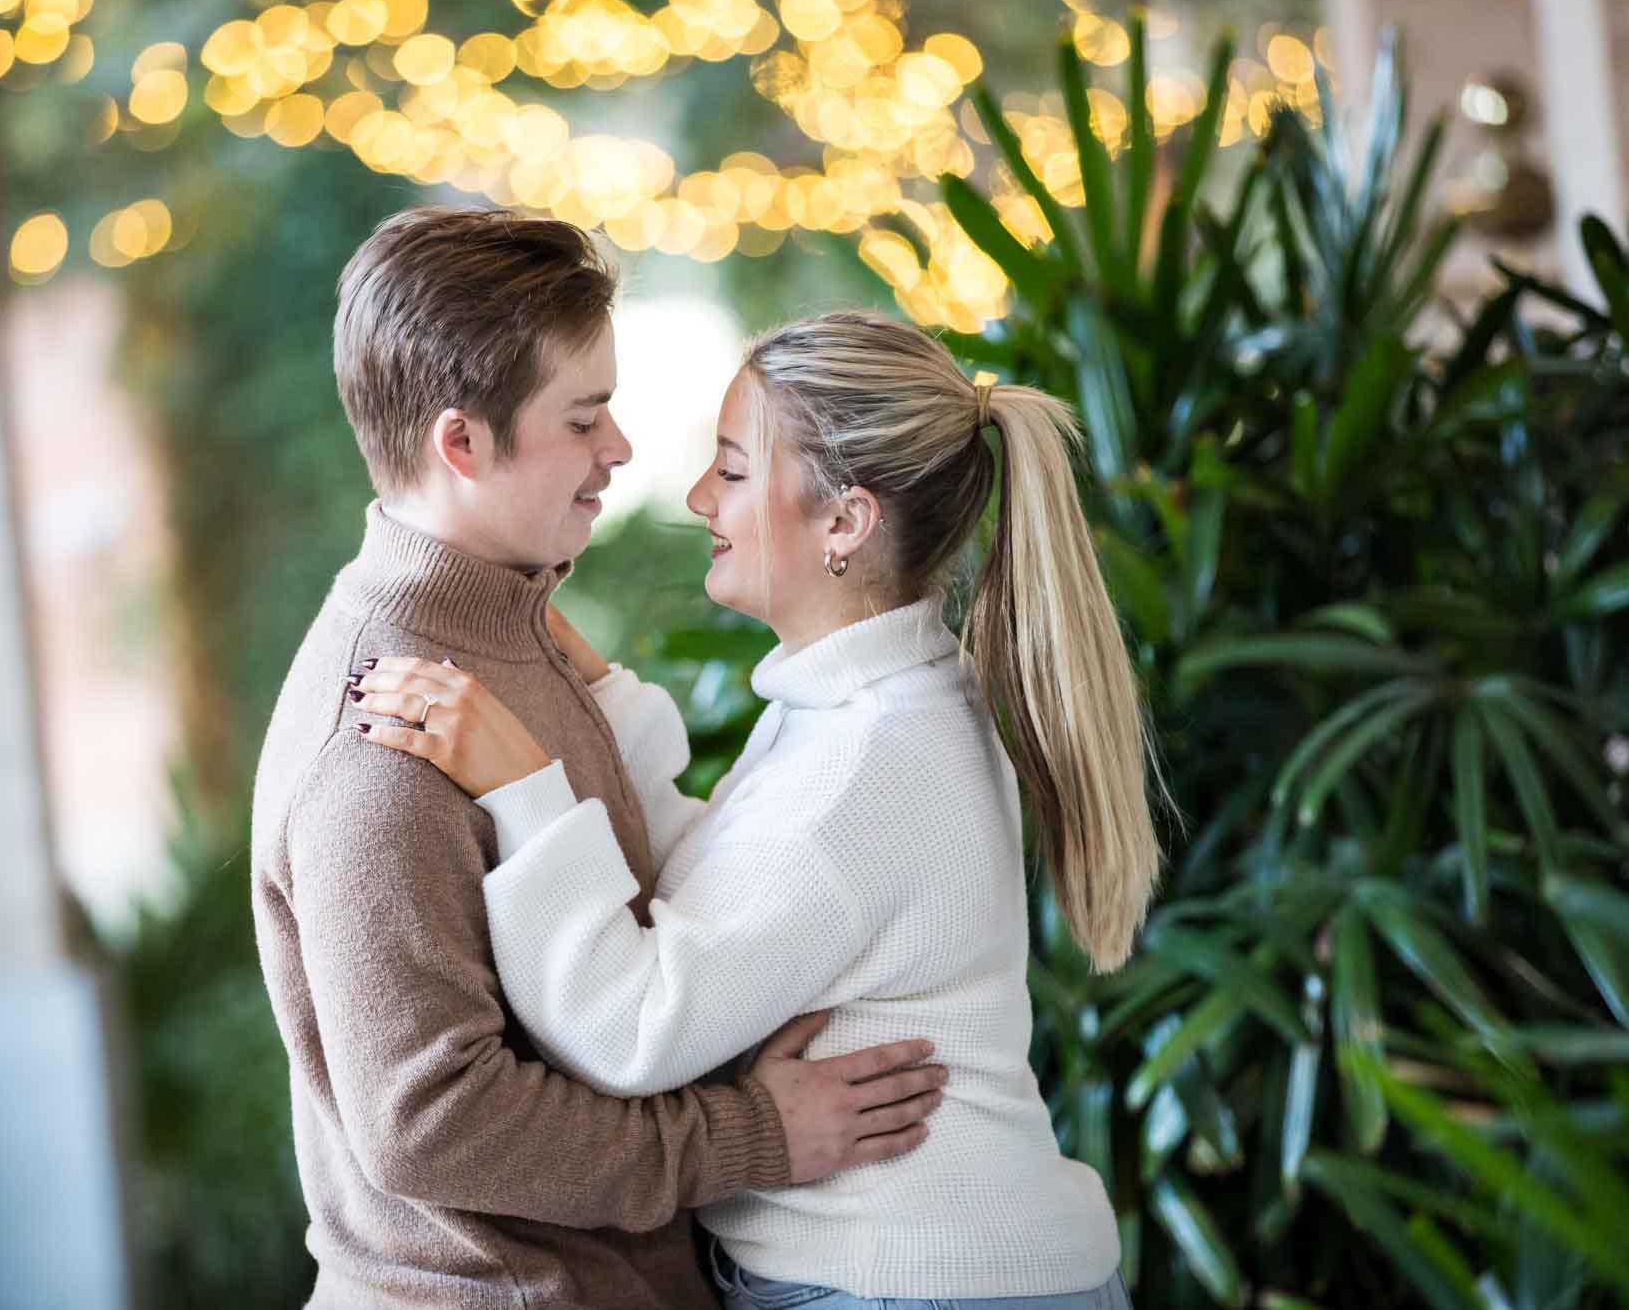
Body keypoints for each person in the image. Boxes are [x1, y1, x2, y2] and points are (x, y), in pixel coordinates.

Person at [354, 310, 1162, 1309]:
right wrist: (606, 702)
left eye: (731, 470)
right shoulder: (878, 706)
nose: (700, 495)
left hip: (909, 1287)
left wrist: (523, 791)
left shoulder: (866, 766)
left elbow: (632, 1028)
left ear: (843, 521)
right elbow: (747, 899)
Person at [253, 213, 951, 1310]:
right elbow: (431, 1124)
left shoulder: (514, 634)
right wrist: (744, 1136)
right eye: (583, 418)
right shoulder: (380, 743)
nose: (620, 451)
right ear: (461, 443)